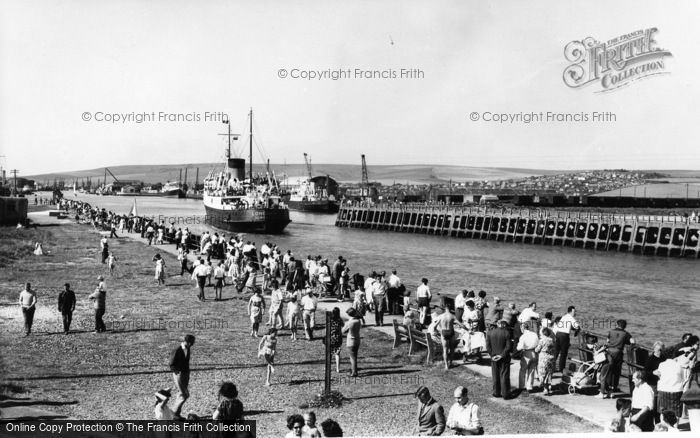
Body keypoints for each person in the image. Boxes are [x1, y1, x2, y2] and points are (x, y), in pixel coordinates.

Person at [655, 348, 696, 418]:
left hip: (663, 390)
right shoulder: (678, 365)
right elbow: (684, 379)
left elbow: (659, 375)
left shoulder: (661, 365)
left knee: (663, 411)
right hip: (676, 391)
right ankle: (675, 426)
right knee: (676, 412)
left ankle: (664, 425)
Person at [598, 319, 635, 398]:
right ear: (624, 326)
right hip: (618, 353)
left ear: (617, 325)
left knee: (607, 371)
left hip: (609, 353)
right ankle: (612, 390)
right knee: (616, 372)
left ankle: (605, 390)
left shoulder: (611, 331)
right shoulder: (626, 333)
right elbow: (632, 341)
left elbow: (607, 341)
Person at [169, 334, 195, 419]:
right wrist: (177, 372)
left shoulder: (188, 348)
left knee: (181, 394)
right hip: (179, 374)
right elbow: (171, 363)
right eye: (191, 343)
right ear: (187, 342)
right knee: (185, 394)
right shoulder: (177, 350)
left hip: (185, 373)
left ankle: (176, 414)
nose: (192, 344)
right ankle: (173, 412)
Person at [485, 319, 512, 398]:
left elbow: (488, 346)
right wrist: (501, 355)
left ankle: (496, 392)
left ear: (497, 324)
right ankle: (505, 393)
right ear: (503, 325)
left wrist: (493, 355)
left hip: (494, 357)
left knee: (495, 375)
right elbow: (508, 346)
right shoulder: (506, 332)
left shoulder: (489, 333)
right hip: (504, 357)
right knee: (504, 375)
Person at [555, 306, 580, 373]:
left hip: (558, 334)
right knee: (563, 353)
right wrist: (577, 331)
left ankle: (552, 367)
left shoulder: (564, 316)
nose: (575, 313)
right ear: (571, 312)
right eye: (574, 312)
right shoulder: (570, 317)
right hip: (564, 336)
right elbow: (577, 326)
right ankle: (561, 369)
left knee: (556, 352)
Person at [516, 321, 539, 393]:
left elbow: (519, 348)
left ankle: (521, 386)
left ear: (523, 328)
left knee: (523, 370)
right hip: (534, 353)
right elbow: (538, 344)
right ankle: (529, 387)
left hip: (526, 353)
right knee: (532, 370)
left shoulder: (523, 336)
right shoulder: (534, 334)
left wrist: (517, 346)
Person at [535, 327, 556, 395]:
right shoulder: (552, 340)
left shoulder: (542, 340)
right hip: (551, 358)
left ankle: (545, 388)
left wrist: (535, 349)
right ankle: (549, 386)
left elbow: (537, 349)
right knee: (549, 373)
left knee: (542, 373)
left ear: (543, 333)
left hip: (543, 358)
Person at [343, 308, 362, 377]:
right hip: (357, 340)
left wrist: (345, 324)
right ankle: (354, 369)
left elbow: (343, 331)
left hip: (351, 341)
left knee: (352, 358)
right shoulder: (358, 320)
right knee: (355, 356)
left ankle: (354, 372)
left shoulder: (349, 323)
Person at [328, 307, 344, 373]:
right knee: (337, 353)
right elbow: (343, 325)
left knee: (330, 353)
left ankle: (329, 367)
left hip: (331, 337)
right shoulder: (339, 320)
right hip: (338, 337)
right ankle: (338, 368)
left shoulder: (330, 320)